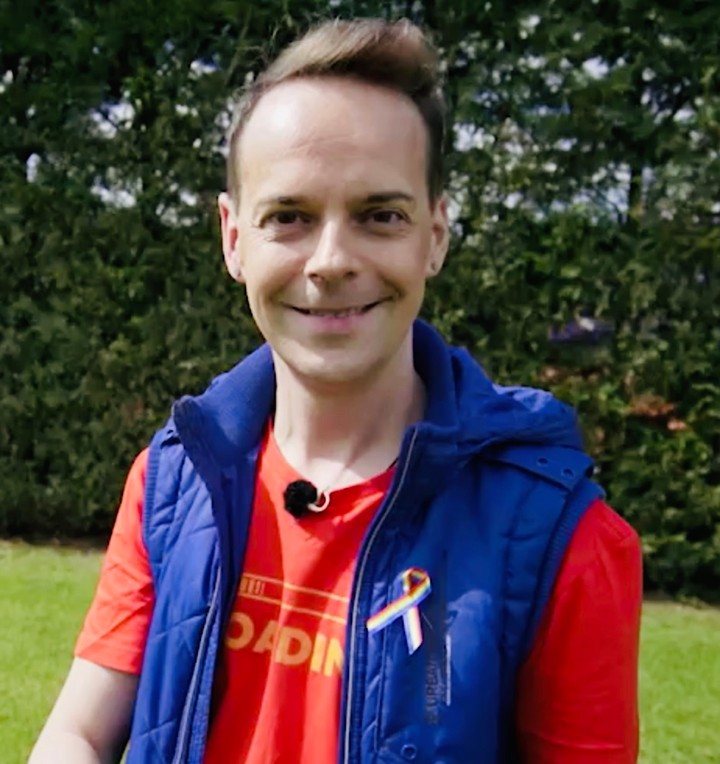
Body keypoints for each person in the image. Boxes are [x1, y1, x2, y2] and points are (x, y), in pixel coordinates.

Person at [30, 17, 642, 764]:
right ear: (233, 237)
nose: (330, 260)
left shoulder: (560, 533)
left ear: (435, 235)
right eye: (289, 216)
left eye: (380, 216)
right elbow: (80, 732)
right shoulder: (174, 480)